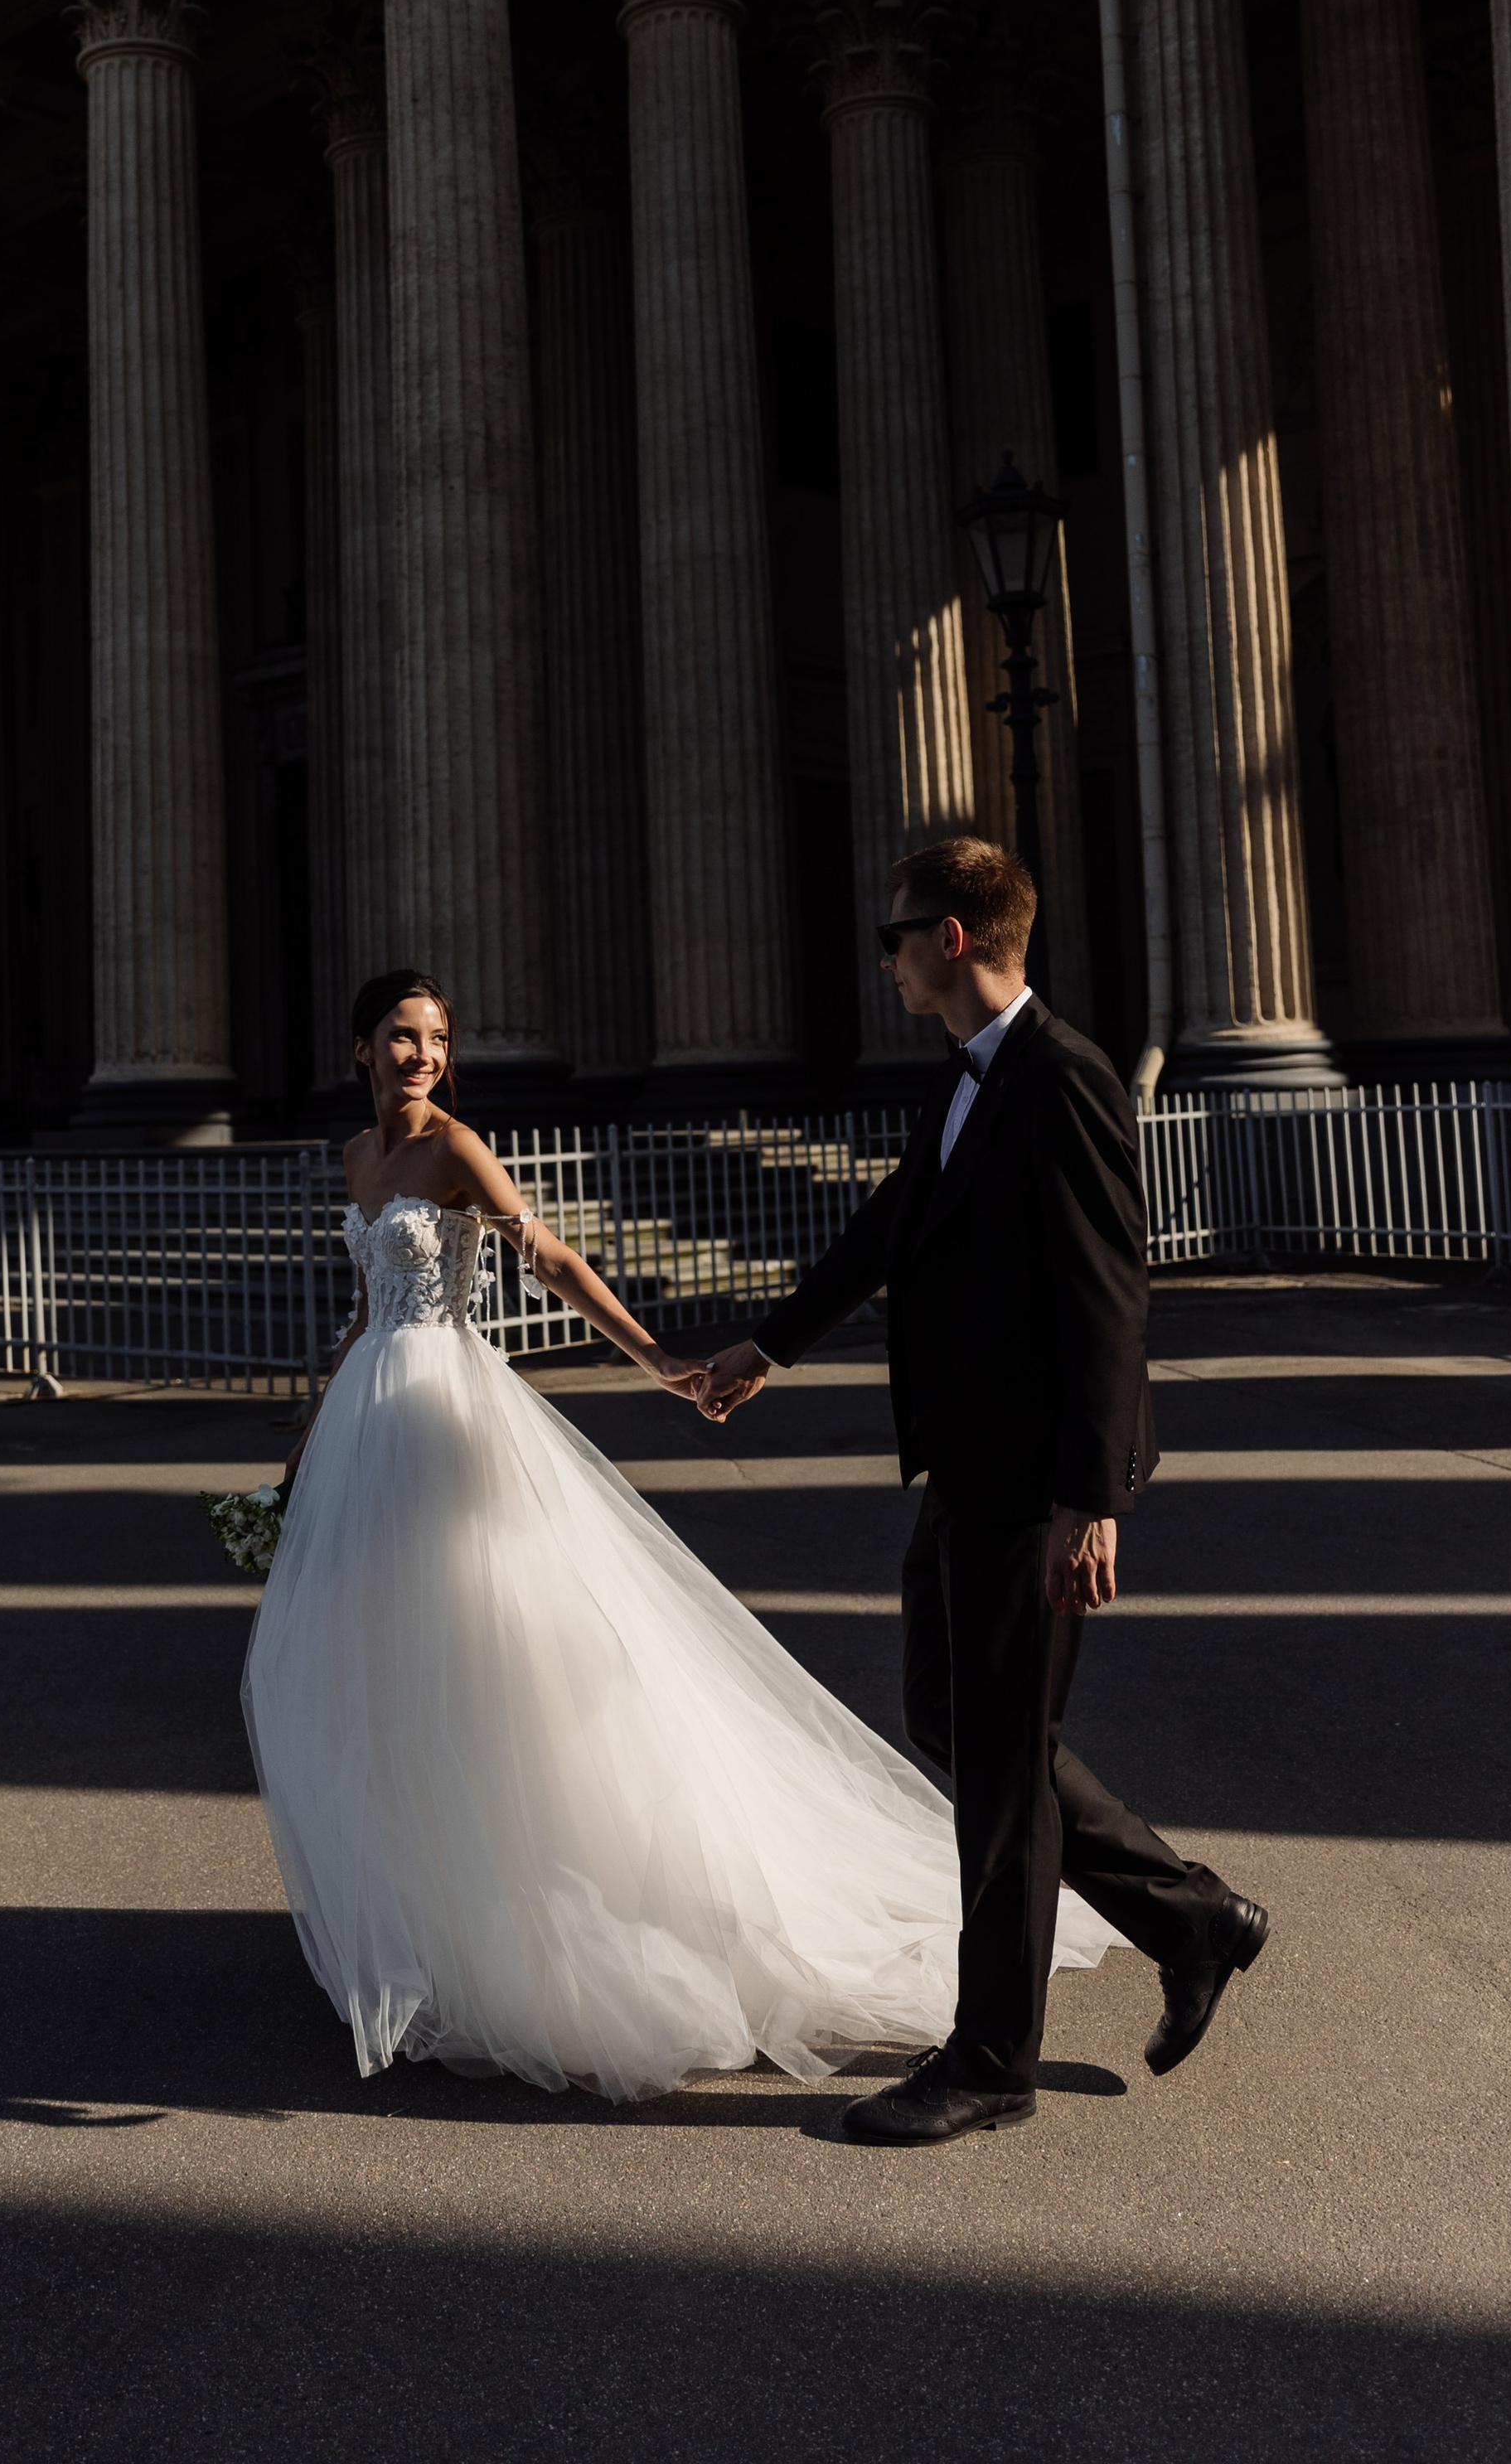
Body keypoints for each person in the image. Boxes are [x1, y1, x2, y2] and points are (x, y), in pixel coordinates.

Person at [241, 963, 1124, 2103]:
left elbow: (547, 1257)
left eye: (437, 1038)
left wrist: (656, 1359)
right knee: (391, 1680)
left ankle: (547, 1936)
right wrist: (309, 1441)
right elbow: (365, 1312)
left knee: (494, 1670)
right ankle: (434, 1929)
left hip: (453, 1426)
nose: (422, 1055)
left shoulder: (456, 1149)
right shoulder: (357, 1160)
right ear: (359, 1049)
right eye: (402, 1038)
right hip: (372, 1425)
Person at [703, 835, 1270, 2145]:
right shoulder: (964, 1082)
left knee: (1003, 1769)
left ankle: (991, 2060)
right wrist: (765, 1349)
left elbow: (1107, 1299)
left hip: (1035, 1485)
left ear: (951, 937)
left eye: (895, 935)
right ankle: (1194, 1919)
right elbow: (888, 1229)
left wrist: (1092, 1500)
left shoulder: (1059, 1077)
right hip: (966, 1468)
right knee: (953, 1724)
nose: (886, 959)